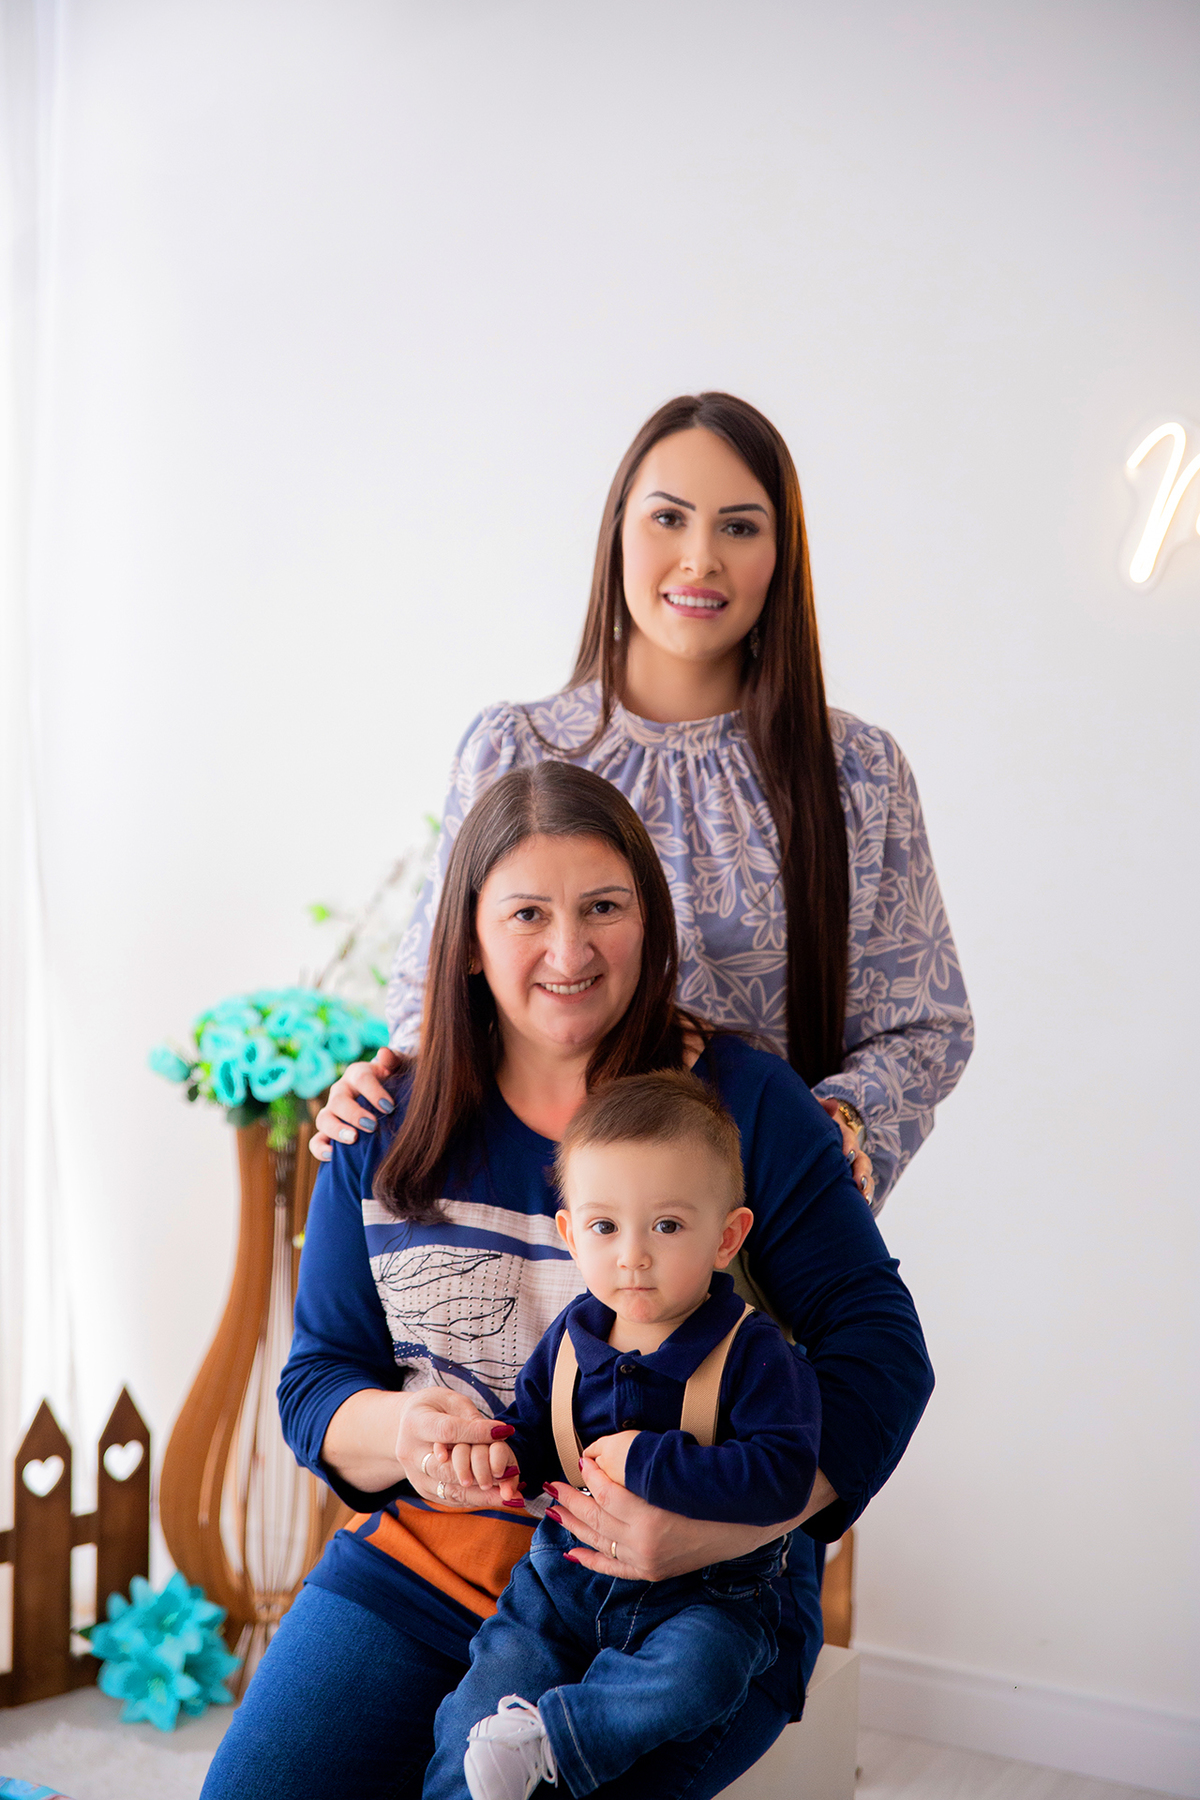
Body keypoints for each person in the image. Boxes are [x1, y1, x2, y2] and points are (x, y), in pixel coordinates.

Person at [201, 761, 933, 1800]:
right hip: (430, 1562)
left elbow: (883, 1355)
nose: (569, 950)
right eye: (528, 914)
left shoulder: (744, 1104)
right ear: (466, 939)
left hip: (693, 1603)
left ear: (651, 919)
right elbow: (317, 1383)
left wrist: (725, 1526)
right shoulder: (378, 1126)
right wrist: (408, 1433)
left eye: (604, 908)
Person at [314, 392, 973, 1211]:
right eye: (669, 519)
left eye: (739, 526)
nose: (700, 559)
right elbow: (431, 992)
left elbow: (922, 1024)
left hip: (756, 1231)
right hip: (535, 1223)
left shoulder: (856, 772)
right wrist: (387, 1092)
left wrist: (837, 1120)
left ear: (783, 554)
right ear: (618, 529)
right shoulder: (512, 750)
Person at [426, 1069, 821, 1800]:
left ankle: (558, 1737)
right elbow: (540, 1438)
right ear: (572, 1234)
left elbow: (786, 1475)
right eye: (605, 1227)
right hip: (565, 1579)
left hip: (708, 1599)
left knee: (700, 1675)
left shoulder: (753, 1353)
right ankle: (481, 1759)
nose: (632, 1254)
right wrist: (501, 1456)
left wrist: (652, 1459)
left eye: (667, 1226)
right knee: (481, 1697)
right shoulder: (572, 1341)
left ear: (726, 1237)